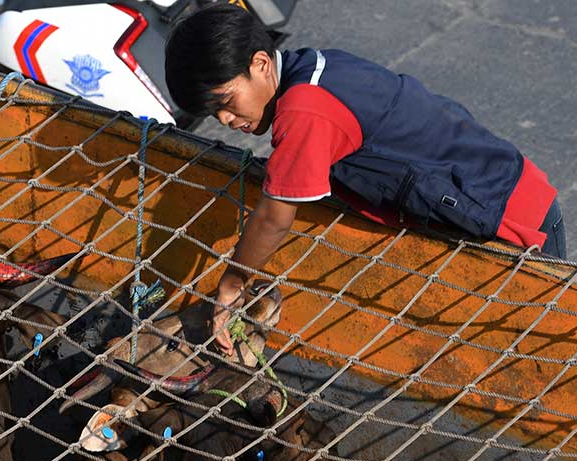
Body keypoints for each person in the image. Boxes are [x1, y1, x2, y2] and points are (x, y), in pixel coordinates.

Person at [164, 3, 566, 356]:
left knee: (542, 348)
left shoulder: (305, 109)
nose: (226, 122)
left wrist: (233, 283)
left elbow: (274, 217)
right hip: (504, 184)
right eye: (213, 114)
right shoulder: (314, 65)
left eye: (226, 103)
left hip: (511, 218)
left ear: (261, 65)